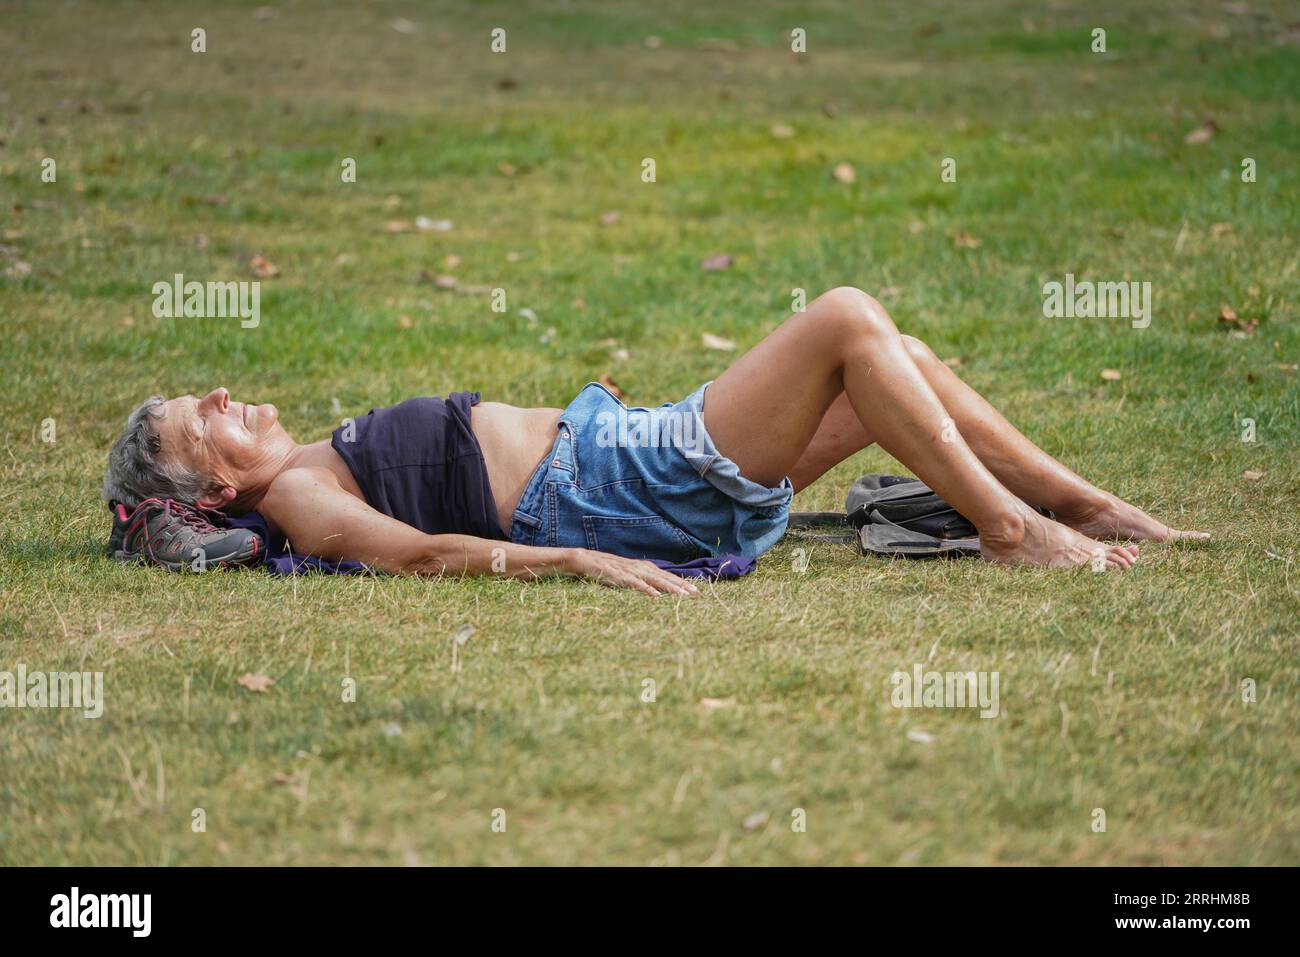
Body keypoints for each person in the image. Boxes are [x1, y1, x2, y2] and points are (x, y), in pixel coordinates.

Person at [103, 287, 1208, 596]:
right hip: (619, 489)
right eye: (197, 418)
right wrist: (579, 560)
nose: (220, 391)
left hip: (627, 457)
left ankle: (1092, 508)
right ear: (208, 484)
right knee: (843, 318)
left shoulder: (298, 467)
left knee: (897, 354)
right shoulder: (296, 501)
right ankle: (1010, 528)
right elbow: (417, 556)